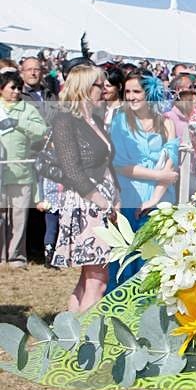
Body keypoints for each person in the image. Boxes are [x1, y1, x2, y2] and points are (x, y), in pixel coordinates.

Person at [50, 65, 119, 311]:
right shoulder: (65, 119)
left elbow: (106, 163)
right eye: (100, 85)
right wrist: (99, 198)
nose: (105, 89)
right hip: (86, 204)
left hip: (100, 203)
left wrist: (114, 197)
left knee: (88, 278)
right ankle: (85, 342)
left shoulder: (94, 120)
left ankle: (71, 339)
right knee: (97, 281)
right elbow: (71, 168)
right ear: (85, 88)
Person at [108, 70, 178, 292]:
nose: (130, 96)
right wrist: (159, 176)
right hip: (129, 194)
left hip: (160, 199)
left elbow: (170, 161)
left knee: (153, 262)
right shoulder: (120, 121)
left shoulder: (166, 123)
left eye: (136, 91)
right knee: (124, 262)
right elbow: (119, 164)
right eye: (127, 91)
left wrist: (156, 197)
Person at [0, 71, 47, 268]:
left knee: (19, 218)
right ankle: (1, 256)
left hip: (22, 173)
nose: (16, 91)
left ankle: (16, 256)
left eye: (19, 88)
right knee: (1, 216)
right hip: (1, 173)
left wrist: (19, 123)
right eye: (12, 87)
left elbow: (42, 131)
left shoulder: (28, 109)